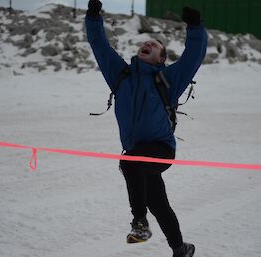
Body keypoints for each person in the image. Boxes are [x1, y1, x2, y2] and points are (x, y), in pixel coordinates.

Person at [85, 1, 207, 256]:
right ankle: (181, 248)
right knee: (157, 202)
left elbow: (193, 57)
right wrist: (93, 18)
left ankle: (140, 223)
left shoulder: (168, 80)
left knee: (129, 162)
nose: (148, 44)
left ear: (161, 59)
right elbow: (100, 47)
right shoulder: (121, 76)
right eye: (147, 43)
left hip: (161, 150)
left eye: (155, 46)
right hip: (138, 152)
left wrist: (195, 27)